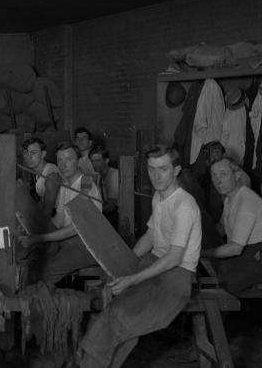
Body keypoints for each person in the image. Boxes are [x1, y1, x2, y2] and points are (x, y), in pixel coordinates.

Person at [78, 145, 201, 368]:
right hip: (154, 266)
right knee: (113, 308)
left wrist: (132, 279)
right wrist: (124, 265)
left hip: (176, 279)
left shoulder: (184, 205)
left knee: (120, 316)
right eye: (151, 169)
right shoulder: (159, 197)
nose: (156, 176)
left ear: (176, 170)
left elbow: (174, 258)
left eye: (163, 169)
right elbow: (151, 236)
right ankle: (91, 362)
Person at [19, 142, 102, 285]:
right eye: (60, 160)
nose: (63, 165)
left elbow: (76, 228)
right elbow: (59, 219)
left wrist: (40, 238)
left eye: (68, 159)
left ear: (79, 161)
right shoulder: (65, 185)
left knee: (45, 271)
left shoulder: (85, 185)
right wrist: (33, 232)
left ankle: (39, 301)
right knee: (33, 260)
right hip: (68, 241)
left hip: (89, 246)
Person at [201, 158, 262, 294]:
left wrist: (202, 253)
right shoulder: (230, 199)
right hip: (247, 255)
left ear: (237, 175)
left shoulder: (247, 201)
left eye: (223, 174)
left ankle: (221, 314)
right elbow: (221, 227)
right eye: (213, 175)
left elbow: (235, 248)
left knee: (222, 285)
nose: (217, 180)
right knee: (208, 277)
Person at [22, 136, 61, 217]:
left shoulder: (51, 175)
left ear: (43, 154)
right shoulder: (37, 172)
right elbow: (43, 200)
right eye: (26, 152)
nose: (28, 157)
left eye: (33, 152)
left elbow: (48, 212)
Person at [89, 145, 120, 229]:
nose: (94, 164)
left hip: (117, 216)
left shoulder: (114, 175)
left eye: (98, 160)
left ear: (106, 160)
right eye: (92, 161)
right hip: (107, 213)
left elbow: (111, 206)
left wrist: (91, 211)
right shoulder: (99, 176)